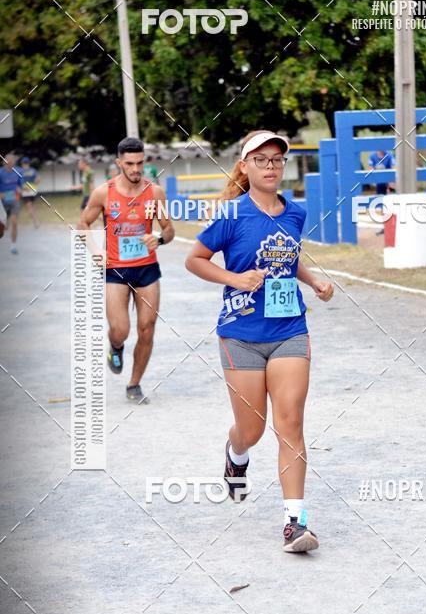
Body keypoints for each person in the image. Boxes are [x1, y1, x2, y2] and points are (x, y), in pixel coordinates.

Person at [185, 130, 334, 553]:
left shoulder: (295, 213)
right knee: (252, 430)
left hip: (290, 330)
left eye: (277, 160)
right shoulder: (230, 215)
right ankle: (236, 452)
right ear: (245, 166)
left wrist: (313, 279)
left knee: (290, 424)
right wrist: (234, 278)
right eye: (262, 159)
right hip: (241, 335)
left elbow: (288, 255)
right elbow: (194, 259)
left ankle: (295, 522)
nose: (271, 166)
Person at [77, 136, 175, 404]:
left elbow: (168, 229)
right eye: (130, 164)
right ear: (119, 162)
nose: (135, 169)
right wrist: (96, 251)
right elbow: (83, 224)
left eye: (140, 163)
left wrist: (160, 239)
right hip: (116, 270)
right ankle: (116, 346)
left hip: (146, 269)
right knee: (120, 328)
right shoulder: (103, 193)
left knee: (147, 328)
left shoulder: (154, 192)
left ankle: (134, 384)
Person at [0, 154, 23, 254]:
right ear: (4, 162)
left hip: (14, 200)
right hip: (2, 202)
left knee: (14, 222)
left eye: (12, 161)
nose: (10, 163)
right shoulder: (0, 172)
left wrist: (20, 190)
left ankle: (13, 246)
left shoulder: (18, 171)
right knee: (3, 227)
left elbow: (21, 186)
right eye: (8, 161)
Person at [18, 156, 40, 228]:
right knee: (32, 206)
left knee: (29, 207)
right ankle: (35, 220)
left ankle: (35, 221)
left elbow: (18, 181)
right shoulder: (33, 170)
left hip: (25, 191)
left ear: (22, 163)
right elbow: (38, 180)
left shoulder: (20, 171)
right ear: (28, 163)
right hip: (33, 190)